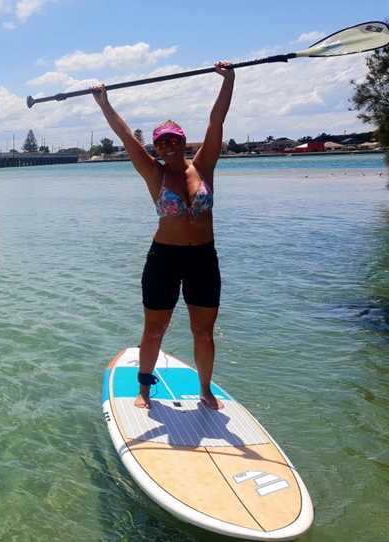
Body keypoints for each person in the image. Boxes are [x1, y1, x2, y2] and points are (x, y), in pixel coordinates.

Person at [92, 61, 234, 410]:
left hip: (203, 257)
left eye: (174, 140)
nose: (168, 146)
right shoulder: (153, 174)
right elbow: (127, 137)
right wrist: (103, 102)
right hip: (164, 259)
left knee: (203, 331)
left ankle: (206, 390)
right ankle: (144, 390)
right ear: (155, 148)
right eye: (161, 143)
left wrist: (228, 80)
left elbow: (217, 121)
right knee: (155, 328)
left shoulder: (204, 166)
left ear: (184, 142)